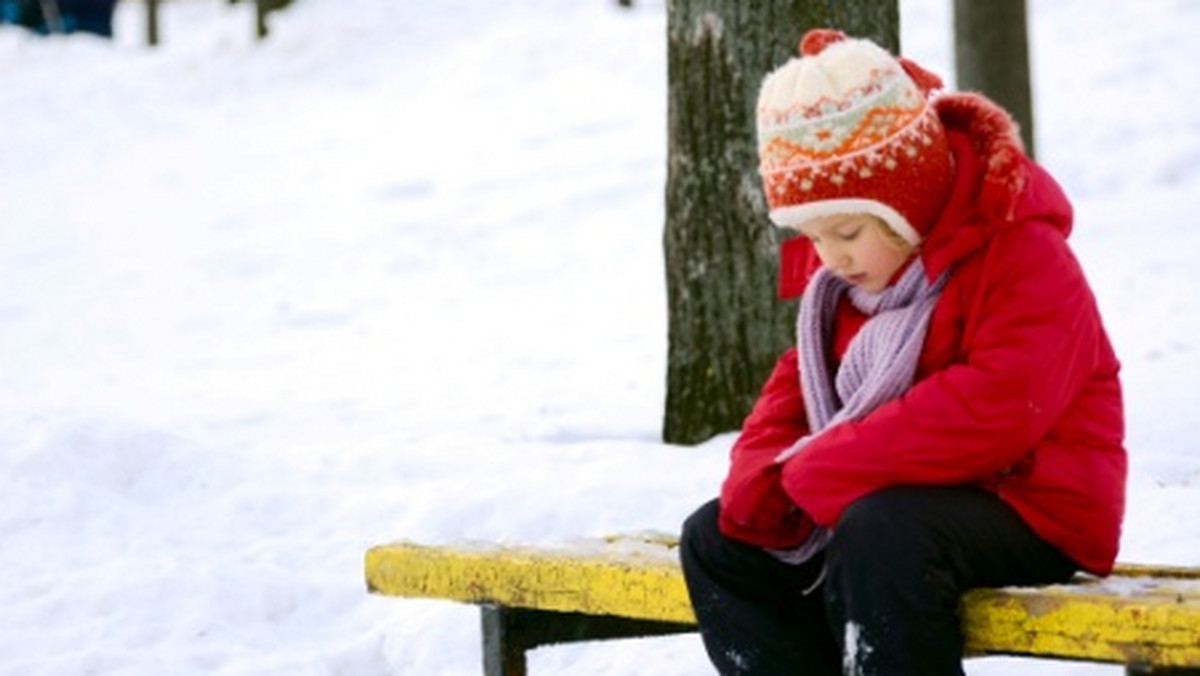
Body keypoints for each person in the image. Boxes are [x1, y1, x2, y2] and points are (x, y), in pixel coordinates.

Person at [679, 28, 1126, 676]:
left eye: (848, 231)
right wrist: (761, 483)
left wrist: (821, 469)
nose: (829, 258)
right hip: (891, 500)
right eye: (812, 235)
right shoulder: (853, 287)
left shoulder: (1022, 251)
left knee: (882, 531)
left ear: (906, 198)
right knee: (718, 538)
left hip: (1031, 506)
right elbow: (798, 390)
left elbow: (999, 403)